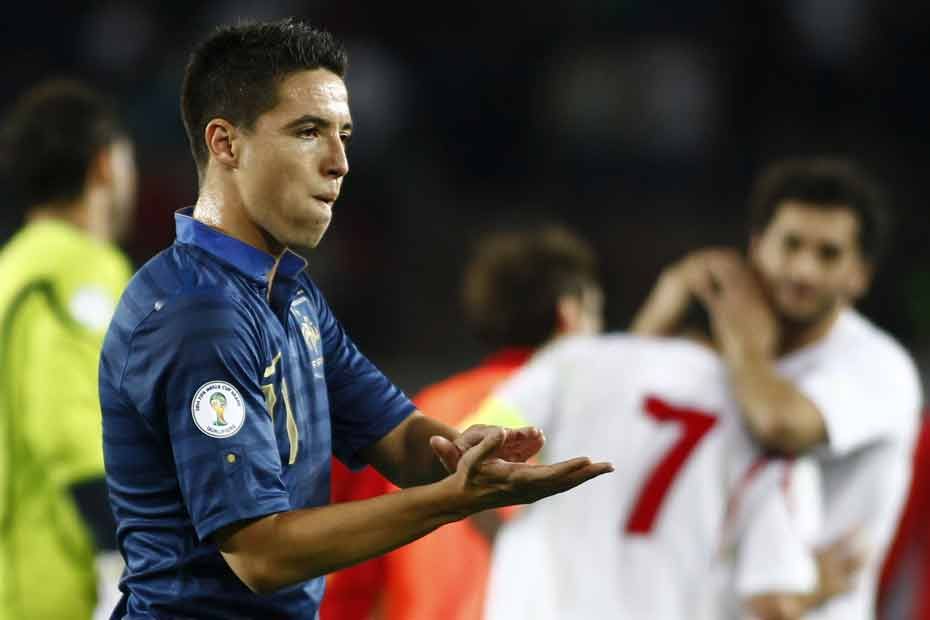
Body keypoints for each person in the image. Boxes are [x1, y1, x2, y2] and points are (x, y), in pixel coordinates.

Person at [98, 19, 611, 620]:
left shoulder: (291, 295)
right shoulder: (197, 315)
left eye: (343, 135)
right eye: (307, 132)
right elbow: (261, 555)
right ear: (226, 144)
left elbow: (400, 440)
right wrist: (456, 498)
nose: (340, 162)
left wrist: (464, 453)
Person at [632, 157, 922, 618]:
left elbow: (779, 425)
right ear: (756, 247)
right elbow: (623, 413)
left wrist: (744, 343)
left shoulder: (878, 366)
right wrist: (663, 307)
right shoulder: (727, 352)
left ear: (860, 275)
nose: (803, 270)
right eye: (790, 245)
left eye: (828, 254)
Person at [471, 330, 857, 619]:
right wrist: (814, 589)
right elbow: (774, 603)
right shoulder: (768, 421)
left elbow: (466, 453)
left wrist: (508, 542)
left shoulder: (575, 359)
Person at [323, 224, 604, 620]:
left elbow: (352, 578)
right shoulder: (589, 414)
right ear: (569, 313)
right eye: (597, 314)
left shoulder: (413, 416)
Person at [0, 80, 137, 619]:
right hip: (57, 588)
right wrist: (119, 562)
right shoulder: (78, 270)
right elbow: (73, 431)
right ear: (105, 165)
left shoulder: (12, 272)